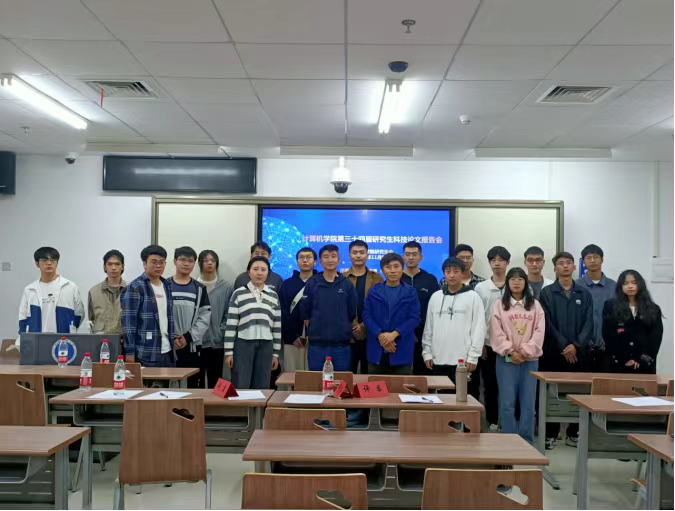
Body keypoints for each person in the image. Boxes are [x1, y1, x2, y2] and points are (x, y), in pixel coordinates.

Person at [539, 251, 593, 449]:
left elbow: (589, 323)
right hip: (554, 353)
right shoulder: (546, 293)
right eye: (561, 263)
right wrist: (564, 346)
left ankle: (573, 433)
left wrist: (576, 346)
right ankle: (551, 434)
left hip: (579, 354)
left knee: (578, 394)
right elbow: (547, 323)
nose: (565, 266)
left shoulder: (584, 293)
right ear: (555, 268)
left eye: (568, 262)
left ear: (574, 267)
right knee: (552, 395)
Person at [491, 267, 545, 445]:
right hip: (506, 360)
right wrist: (510, 351)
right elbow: (496, 332)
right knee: (507, 403)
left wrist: (524, 351)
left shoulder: (535, 305)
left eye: (520, 279)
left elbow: (539, 332)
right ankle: (509, 441)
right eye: (512, 279)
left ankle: (526, 441)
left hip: (530, 360)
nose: (516, 282)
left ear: (525, 282)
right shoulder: (500, 304)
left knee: (528, 403)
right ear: (507, 282)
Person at [422, 258, 485, 393]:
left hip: (464, 362)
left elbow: (479, 329)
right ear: (444, 273)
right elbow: (429, 328)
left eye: (456, 271)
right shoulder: (435, 297)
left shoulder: (473, 297)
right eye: (448, 271)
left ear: (462, 273)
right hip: (438, 360)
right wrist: (427, 353)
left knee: (465, 400)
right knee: (442, 400)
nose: (451, 275)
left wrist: (473, 356)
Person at [224, 257, 281, 389]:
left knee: (262, 385)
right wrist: (229, 352)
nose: (259, 273)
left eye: (263, 270)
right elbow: (231, 324)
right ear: (249, 272)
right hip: (243, 344)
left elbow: (277, 326)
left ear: (268, 273)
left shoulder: (273, 296)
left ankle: (260, 405)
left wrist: (275, 354)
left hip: (266, 345)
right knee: (241, 384)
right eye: (255, 269)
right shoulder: (238, 293)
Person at [300, 244, 358, 372]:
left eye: (333, 256)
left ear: (339, 260)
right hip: (317, 345)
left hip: (341, 346)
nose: (330, 260)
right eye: (326, 257)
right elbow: (305, 313)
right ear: (320, 261)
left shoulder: (347, 284)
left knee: (341, 381)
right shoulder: (312, 283)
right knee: (316, 380)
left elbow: (351, 312)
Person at [363, 253, 420, 374]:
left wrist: (394, 334)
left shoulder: (410, 292)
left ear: (402, 268)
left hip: (401, 348)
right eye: (388, 267)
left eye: (396, 266)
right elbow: (367, 316)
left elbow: (414, 318)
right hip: (377, 348)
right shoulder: (374, 291)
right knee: (375, 385)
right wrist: (381, 336)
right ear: (382, 270)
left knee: (402, 385)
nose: (392, 271)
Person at [474, 246, 511, 432]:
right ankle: (492, 421)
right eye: (493, 260)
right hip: (488, 346)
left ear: (507, 262)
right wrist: (480, 343)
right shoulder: (481, 288)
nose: (497, 263)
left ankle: (509, 422)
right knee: (490, 386)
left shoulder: (516, 284)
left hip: (511, 347)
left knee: (509, 386)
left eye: (501, 260)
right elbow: (478, 318)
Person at [121, 245, 175, 367]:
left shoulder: (167, 285)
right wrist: (129, 353)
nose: (158, 266)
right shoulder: (135, 287)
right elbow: (128, 323)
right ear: (145, 264)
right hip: (145, 352)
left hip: (168, 350)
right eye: (154, 262)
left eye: (162, 262)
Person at [602, 270, 663, 374]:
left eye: (634, 283)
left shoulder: (653, 308)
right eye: (625, 283)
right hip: (618, 364)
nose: (630, 286)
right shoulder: (610, 306)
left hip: (644, 365)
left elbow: (655, 339)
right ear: (620, 286)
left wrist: (641, 360)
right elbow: (608, 335)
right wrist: (623, 359)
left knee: (642, 386)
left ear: (640, 284)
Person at [18, 247, 85, 342]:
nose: (49, 263)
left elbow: (79, 314)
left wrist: (70, 329)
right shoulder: (29, 290)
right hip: (36, 341)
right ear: (37, 264)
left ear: (57, 263)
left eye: (53, 260)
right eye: (45, 260)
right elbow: (22, 318)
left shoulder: (70, 287)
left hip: (63, 340)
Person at [168, 247, 211, 388]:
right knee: (169, 386)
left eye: (190, 261)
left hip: (191, 346)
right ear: (175, 261)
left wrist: (187, 337)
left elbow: (205, 317)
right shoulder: (164, 286)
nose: (186, 264)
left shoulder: (199, 288)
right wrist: (171, 337)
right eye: (182, 260)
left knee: (191, 387)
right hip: (168, 346)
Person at [344, 239, 383, 374]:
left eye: (362, 252)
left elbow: (380, 306)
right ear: (349, 255)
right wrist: (354, 326)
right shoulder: (342, 278)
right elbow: (340, 307)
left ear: (367, 255)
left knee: (370, 376)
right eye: (354, 252)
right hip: (348, 335)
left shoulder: (377, 278)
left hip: (372, 334)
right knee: (347, 375)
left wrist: (364, 326)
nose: (358, 255)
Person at [401, 241, 440, 375]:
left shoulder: (430, 279)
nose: (411, 257)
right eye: (407, 254)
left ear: (421, 257)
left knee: (423, 373)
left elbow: (435, 307)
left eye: (414, 254)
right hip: (400, 333)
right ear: (403, 257)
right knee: (401, 373)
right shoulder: (396, 278)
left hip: (425, 333)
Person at [576, 244, 617, 372]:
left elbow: (618, 316)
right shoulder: (576, 286)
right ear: (583, 262)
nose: (592, 261)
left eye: (596, 257)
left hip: (608, 347)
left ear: (602, 260)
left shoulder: (613, 286)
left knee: (605, 383)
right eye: (588, 258)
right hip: (581, 348)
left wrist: (610, 340)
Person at [197, 249, 233, 388]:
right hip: (198, 342)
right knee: (197, 380)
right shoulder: (194, 286)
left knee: (217, 381)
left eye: (212, 260)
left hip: (217, 342)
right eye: (206, 260)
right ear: (200, 263)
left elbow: (229, 313)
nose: (209, 263)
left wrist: (220, 331)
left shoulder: (226, 287)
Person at [279, 247, 317, 373]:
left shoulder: (320, 283)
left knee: (313, 376)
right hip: (292, 341)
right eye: (301, 258)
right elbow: (282, 312)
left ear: (315, 262)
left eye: (309, 257)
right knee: (292, 376)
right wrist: (291, 336)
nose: (305, 260)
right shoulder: (287, 284)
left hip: (316, 340)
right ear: (297, 262)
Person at [88, 250, 126, 334]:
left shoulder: (132, 290)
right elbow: (91, 319)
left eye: (117, 264)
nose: (113, 268)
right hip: (100, 338)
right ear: (104, 267)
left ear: (122, 266)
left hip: (124, 338)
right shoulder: (93, 292)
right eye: (110, 264)